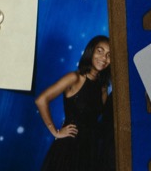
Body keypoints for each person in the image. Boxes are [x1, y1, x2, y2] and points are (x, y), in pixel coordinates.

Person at [37, 36, 114, 171]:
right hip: (69, 148)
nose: (103, 58)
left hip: (91, 150)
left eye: (109, 55)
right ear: (91, 51)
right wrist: (56, 132)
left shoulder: (103, 87)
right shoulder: (74, 78)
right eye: (100, 51)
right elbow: (41, 100)